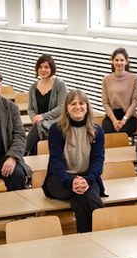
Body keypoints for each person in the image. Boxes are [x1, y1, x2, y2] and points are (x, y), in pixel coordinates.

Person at [42, 89, 107, 233]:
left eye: (81, 103)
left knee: (81, 197)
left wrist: (88, 180)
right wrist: (71, 182)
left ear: (87, 107)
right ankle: (106, 228)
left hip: (88, 177)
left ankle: (85, 238)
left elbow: (98, 161)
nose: (78, 107)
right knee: (84, 194)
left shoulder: (97, 130)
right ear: (66, 108)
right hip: (60, 179)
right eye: (73, 104)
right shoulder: (57, 129)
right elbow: (56, 162)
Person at [25, 54, 68, 155]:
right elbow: (30, 109)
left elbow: (62, 107)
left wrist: (42, 117)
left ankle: (22, 152)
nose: (43, 70)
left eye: (46, 67)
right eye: (40, 67)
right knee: (36, 138)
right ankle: (28, 160)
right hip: (39, 124)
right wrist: (34, 119)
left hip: (56, 122)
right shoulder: (33, 87)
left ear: (52, 69)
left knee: (38, 127)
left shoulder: (60, 85)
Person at [101, 47, 137, 136]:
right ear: (112, 61)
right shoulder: (106, 79)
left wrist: (124, 120)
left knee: (121, 133)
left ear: (126, 61)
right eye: (116, 60)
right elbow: (105, 102)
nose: (119, 63)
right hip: (112, 116)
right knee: (108, 130)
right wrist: (114, 120)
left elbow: (134, 101)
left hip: (129, 117)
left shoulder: (134, 78)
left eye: (122, 60)